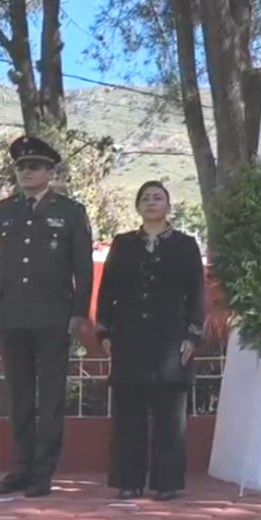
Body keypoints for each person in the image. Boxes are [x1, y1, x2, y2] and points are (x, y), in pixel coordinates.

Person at [0, 136, 94, 498]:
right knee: (18, 396)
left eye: (34, 166)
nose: (26, 172)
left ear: (50, 172)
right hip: (11, 314)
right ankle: (21, 468)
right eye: (21, 167)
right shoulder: (3, 211)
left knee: (50, 398)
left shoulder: (70, 211)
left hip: (54, 316)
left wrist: (78, 312)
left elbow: (83, 268)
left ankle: (43, 472)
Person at [96, 182, 205, 501]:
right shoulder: (123, 243)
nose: (151, 202)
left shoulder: (185, 245)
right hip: (129, 337)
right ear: (137, 206)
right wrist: (104, 330)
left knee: (170, 414)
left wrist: (193, 334)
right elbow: (108, 291)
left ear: (168, 206)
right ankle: (128, 480)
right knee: (128, 411)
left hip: (171, 338)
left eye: (158, 198)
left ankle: (167, 482)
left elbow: (196, 292)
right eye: (145, 198)